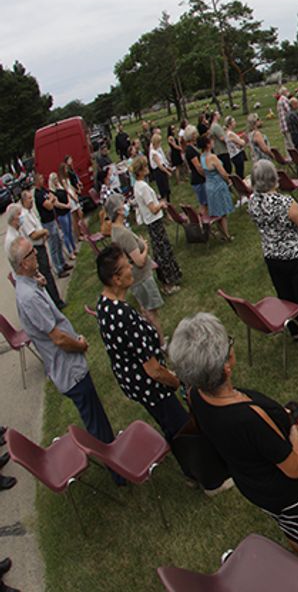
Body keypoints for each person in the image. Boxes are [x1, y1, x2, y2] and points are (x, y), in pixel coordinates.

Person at [165, 312, 298, 591]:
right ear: (226, 366)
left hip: (254, 486)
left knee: (293, 531)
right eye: (229, 344)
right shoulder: (248, 418)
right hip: (287, 491)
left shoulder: (196, 396)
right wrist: (293, 434)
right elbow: (295, 467)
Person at [11, 237, 122, 484]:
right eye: (31, 254)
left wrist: (38, 283)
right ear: (22, 264)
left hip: (68, 366)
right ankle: (118, 470)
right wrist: (80, 345)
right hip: (68, 368)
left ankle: (113, 457)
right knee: (96, 423)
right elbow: (58, 339)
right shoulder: (28, 297)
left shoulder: (29, 286)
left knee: (97, 417)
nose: (37, 256)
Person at [94, 245, 189, 442]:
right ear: (116, 279)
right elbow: (153, 370)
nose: (131, 267)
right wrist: (176, 381)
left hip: (133, 382)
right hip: (150, 385)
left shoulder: (104, 303)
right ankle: (193, 462)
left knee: (167, 420)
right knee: (180, 426)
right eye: (127, 265)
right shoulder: (123, 316)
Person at [247, 160, 298, 345]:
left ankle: (295, 331)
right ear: (273, 178)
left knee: (284, 293)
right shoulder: (285, 202)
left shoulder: (253, 202)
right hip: (294, 256)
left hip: (271, 255)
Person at [105, 192, 165, 337]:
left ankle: (151, 337)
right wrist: (145, 247)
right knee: (151, 313)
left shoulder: (115, 230)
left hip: (135, 278)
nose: (126, 206)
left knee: (145, 310)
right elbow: (139, 261)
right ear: (119, 211)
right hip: (141, 277)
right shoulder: (123, 234)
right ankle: (161, 342)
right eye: (123, 204)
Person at [130, 157, 181, 294]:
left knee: (160, 252)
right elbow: (153, 208)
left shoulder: (137, 186)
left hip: (151, 223)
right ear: (140, 171)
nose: (148, 168)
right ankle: (168, 284)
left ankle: (169, 279)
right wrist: (162, 204)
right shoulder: (143, 187)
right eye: (145, 167)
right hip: (154, 222)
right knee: (162, 253)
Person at [18, 190, 64, 308]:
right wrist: (44, 231)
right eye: (29, 199)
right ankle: (56, 302)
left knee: (47, 272)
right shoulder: (24, 216)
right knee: (46, 274)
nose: (32, 200)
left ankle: (56, 299)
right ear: (23, 201)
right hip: (36, 248)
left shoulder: (30, 212)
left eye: (31, 198)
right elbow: (32, 234)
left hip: (41, 245)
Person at [199, 134, 235, 241]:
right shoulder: (212, 157)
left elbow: (203, 171)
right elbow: (223, 172)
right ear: (208, 144)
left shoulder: (202, 157)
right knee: (222, 213)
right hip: (218, 185)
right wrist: (228, 181)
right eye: (211, 141)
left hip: (209, 185)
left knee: (215, 211)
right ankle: (226, 235)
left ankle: (222, 232)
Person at [147, 132, 173, 201]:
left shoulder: (156, 150)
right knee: (164, 190)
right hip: (159, 172)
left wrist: (168, 167)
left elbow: (162, 162)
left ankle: (168, 202)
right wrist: (167, 172)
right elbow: (160, 165)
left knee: (167, 189)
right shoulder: (153, 153)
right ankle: (166, 203)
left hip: (161, 169)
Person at [276, 87, 295, 151]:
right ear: (284, 92)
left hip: (282, 125)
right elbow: (289, 112)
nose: (288, 92)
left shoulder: (279, 101)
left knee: (287, 143)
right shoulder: (284, 100)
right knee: (291, 142)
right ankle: (294, 156)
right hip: (287, 124)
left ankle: (289, 156)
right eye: (287, 91)